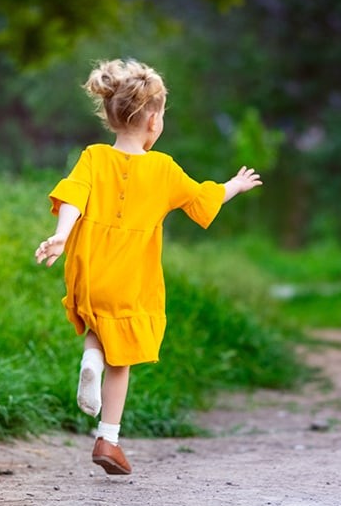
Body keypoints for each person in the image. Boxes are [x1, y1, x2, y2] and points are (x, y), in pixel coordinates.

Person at [34, 58, 263, 475]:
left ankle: (89, 361)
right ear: (154, 121)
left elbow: (73, 197)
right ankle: (108, 438)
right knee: (121, 357)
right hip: (130, 273)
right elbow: (202, 201)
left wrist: (62, 236)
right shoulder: (163, 168)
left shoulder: (94, 156)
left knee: (95, 326)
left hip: (89, 263)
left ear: (111, 115)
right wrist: (235, 185)